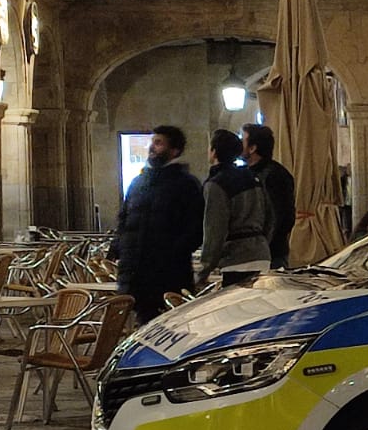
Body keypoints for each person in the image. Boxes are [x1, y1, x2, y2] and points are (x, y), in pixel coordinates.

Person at [112, 125, 204, 324]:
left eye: (159, 143)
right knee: (142, 326)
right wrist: (119, 248)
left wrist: (171, 252)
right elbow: (124, 219)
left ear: (174, 150)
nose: (152, 147)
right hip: (135, 272)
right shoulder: (138, 183)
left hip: (169, 272)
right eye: (152, 142)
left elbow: (195, 227)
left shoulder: (186, 184)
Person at [197, 129, 272, 287]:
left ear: (214, 152)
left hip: (236, 259)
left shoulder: (216, 184)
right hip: (262, 254)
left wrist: (205, 269)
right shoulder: (253, 177)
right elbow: (270, 217)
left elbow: (215, 228)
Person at [242, 124, 296, 270]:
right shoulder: (244, 174)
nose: (239, 144)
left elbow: (281, 216)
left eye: (243, 140)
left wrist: (264, 244)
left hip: (271, 253)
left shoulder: (274, 176)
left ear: (253, 148)